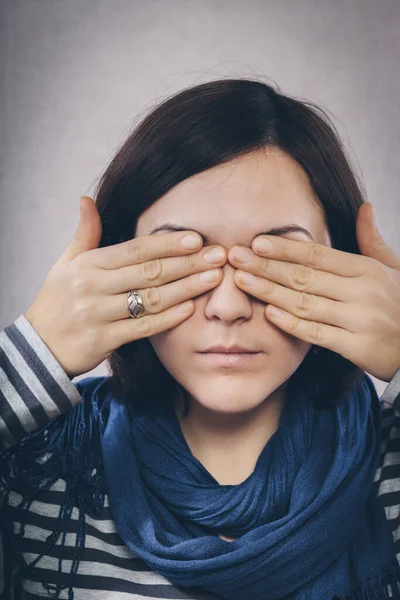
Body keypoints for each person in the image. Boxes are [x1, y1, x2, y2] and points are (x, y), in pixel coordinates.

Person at [1, 78, 400, 600]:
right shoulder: (40, 465)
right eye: (185, 261)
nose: (229, 307)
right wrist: (32, 351)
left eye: (274, 261)